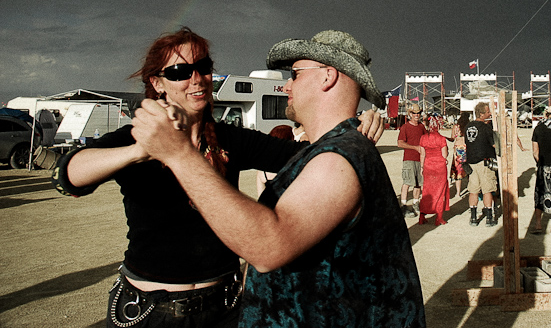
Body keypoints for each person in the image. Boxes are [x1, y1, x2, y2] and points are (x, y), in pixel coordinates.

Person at [50, 27, 383, 328]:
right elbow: (68, 175)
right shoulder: (134, 137)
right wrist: (142, 151)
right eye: (181, 72)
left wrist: (352, 124)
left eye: (204, 67)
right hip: (150, 311)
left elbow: (306, 158)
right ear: (157, 83)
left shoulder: (229, 139)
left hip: (225, 308)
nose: (197, 79)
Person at [132, 29, 426, 328]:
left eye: (295, 74)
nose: (287, 85)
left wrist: (179, 155)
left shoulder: (336, 160)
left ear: (328, 76)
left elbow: (267, 247)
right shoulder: (334, 149)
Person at [464, 102, 498, 227]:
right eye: (488, 112)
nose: (489, 114)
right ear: (482, 114)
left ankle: (473, 217)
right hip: (484, 162)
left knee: (473, 190)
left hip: (471, 162)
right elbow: (494, 144)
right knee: (487, 190)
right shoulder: (485, 128)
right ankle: (489, 217)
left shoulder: (468, 126)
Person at [419, 114, 450, 225]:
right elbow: (444, 155)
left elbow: (422, 154)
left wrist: (422, 167)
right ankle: (439, 218)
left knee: (427, 190)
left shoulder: (423, 138)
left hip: (428, 166)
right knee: (440, 191)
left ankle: (422, 215)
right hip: (439, 167)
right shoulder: (441, 139)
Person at [397, 103, 426, 217]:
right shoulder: (405, 127)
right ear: (410, 114)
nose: (417, 115)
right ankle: (403, 205)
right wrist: (415, 147)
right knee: (407, 182)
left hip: (421, 160)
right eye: (414, 113)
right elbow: (400, 143)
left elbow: (426, 139)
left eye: (418, 113)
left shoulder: (422, 127)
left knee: (419, 183)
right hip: (409, 159)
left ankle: (415, 202)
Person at [450, 113, 470, 198]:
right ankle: (470, 188)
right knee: (469, 170)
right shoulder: (468, 126)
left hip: (458, 149)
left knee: (458, 171)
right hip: (466, 148)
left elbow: (452, 138)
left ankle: (458, 192)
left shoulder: (456, 127)